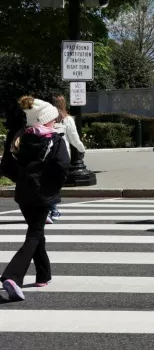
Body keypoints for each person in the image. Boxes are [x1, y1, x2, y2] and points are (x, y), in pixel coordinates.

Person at [0, 96, 70, 302]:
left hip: (23, 193)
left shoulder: (18, 137)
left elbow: (6, 166)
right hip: (44, 194)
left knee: (37, 231)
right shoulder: (54, 140)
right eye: (52, 119)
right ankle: (12, 277)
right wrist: (53, 184)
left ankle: (43, 274)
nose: (55, 122)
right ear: (45, 120)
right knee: (34, 234)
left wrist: (22, 179)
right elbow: (63, 166)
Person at [49, 94, 84, 224]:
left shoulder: (44, 119)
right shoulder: (67, 119)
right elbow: (74, 138)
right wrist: (82, 149)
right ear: (64, 104)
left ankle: (50, 209)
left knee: (48, 182)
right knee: (56, 184)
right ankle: (53, 209)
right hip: (62, 155)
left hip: (46, 154)